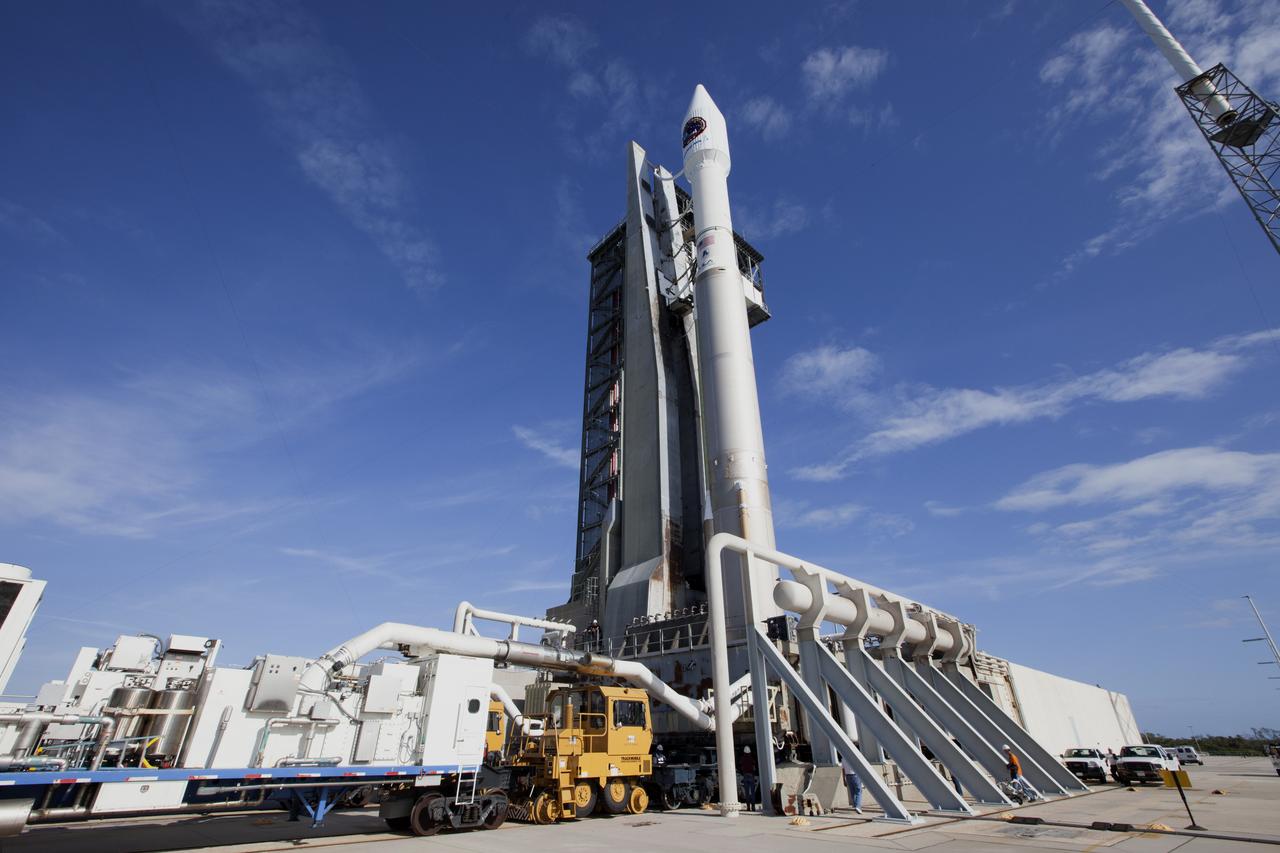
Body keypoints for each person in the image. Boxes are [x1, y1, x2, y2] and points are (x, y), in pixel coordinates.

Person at [739, 745, 759, 812]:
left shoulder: (742, 759)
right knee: (752, 792)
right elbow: (754, 767)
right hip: (751, 775)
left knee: (747, 793)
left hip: (745, 775)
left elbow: (740, 766)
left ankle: (748, 807)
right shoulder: (752, 759)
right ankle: (753, 807)